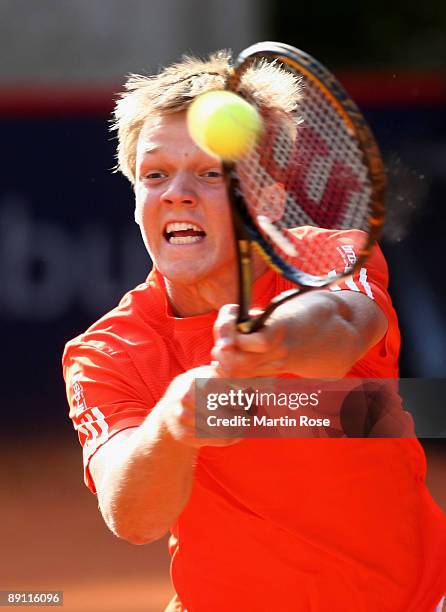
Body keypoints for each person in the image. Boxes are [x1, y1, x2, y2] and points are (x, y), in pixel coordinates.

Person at [63, 49, 446, 611]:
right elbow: (134, 517)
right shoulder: (106, 351)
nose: (177, 193)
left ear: (267, 194)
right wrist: (176, 422)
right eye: (155, 174)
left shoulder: (329, 257)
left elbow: (343, 324)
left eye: (213, 172)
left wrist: (274, 340)